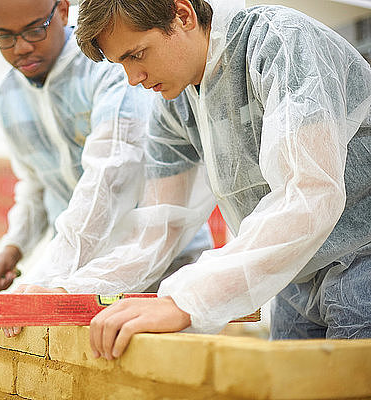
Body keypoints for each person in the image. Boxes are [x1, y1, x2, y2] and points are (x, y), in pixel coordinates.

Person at [73, 0, 371, 360]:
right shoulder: (175, 104)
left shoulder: (279, 42)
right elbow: (159, 230)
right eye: (122, 63)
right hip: (292, 276)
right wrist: (65, 291)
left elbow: (309, 194)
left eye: (137, 54)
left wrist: (186, 301)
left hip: (363, 262)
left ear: (182, 15)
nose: (133, 78)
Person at [0, 0, 212, 354]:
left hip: (165, 266)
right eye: (3, 36)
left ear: (63, 11)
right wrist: (14, 249)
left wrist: (38, 286)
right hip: (81, 277)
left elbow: (109, 179)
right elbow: (35, 184)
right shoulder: (10, 96)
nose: (21, 47)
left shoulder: (112, 63)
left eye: (34, 30)